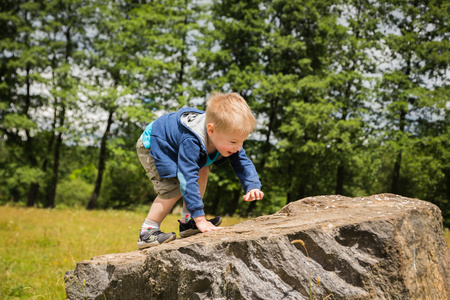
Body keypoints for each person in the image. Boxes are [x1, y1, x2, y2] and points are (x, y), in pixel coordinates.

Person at [136, 92, 264, 249]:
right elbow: (187, 179)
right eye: (233, 142)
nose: (238, 147)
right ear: (211, 130)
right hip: (157, 143)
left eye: (242, 141)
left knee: (203, 169)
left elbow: (242, 162)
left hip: (179, 146)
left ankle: (187, 223)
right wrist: (200, 218)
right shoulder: (191, 140)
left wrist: (252, 185)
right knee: (174, 187)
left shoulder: (226, 135)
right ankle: (147, 232)